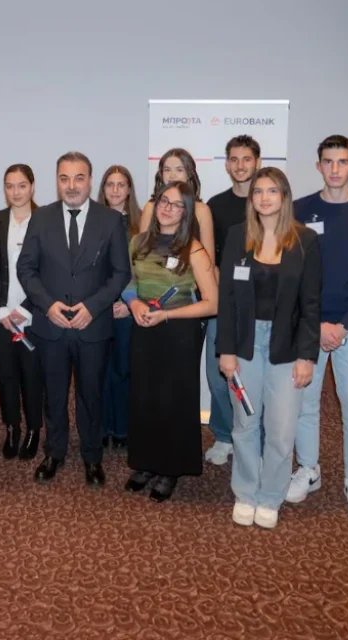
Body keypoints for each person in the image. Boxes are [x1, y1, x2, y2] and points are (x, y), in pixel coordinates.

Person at [285, 135, 348, 519]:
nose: (334, 169)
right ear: (318, 166)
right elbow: (293, 273)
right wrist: (317, 324)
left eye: (342, 162)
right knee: (304, 402)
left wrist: (342, 327)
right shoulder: (299, 210)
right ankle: (308, 469)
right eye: (328, 162)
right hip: (310, 324)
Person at [16, 151, 131, 487]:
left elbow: (120, 273)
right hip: (50, 325)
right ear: (57, 181)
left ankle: (92, 457)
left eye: (79, 178)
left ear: (90, 181)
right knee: (53, 394)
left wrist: (93, 307)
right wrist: (47, 305)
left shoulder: (110, 220)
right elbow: (27, 268)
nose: (71, 185)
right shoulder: (41, 218)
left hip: (92, 325)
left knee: (91, 395)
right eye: (64, 178)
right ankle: (54, 452)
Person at [217, 167, 320, 529]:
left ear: (284, 196)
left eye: (272, 191)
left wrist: (307, 356)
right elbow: (227, 298)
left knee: (280, 429)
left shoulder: (305, 240)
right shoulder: (237, 236)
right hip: (244, 344)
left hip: (287, 346)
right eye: (258, 191)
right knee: (245, 422)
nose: (264, 198)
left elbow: (311, 304)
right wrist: (226, 350)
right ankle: (246, 492)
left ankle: (271, 495)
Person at [121, 181, 218, 502]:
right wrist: (135, 304)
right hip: (143, 328)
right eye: (164, 201)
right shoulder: (137, 242)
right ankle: (146, 463)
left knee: (173, 401)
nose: (168, 208)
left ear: (186, 212)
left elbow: (213, 303)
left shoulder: (194, 250)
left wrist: (167, 315)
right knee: (144, 398)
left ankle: (170, 468)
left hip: (179, 333)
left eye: (177, 205)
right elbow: (128, 282)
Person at [203, 135, 261, 466]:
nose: (240, 165)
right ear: (226, 165)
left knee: (255, 377)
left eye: (246, 159)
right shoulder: (216, 205)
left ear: (257, 163)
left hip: (260, 306)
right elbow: (209, 257)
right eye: (234, 159)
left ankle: (253, 438)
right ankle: (224, 435)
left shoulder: (268, 200)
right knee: (217, 375)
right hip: (223, 303)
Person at [0, 165, 44, 460]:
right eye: (9, 186)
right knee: (5, 375)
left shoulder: (47, 219)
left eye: (22, 185)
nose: (16, 192)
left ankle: (34, 428)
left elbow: (52, 271)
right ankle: (12, 427)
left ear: (32, 187)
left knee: (32, 375)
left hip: (34, 314)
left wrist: (27, 308)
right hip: (1, 315)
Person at [97, 165, 141, 450]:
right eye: (110, 184)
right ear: (103, 189)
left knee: (124, 369)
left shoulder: (141, 225)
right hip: (98, 308)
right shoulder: (92, 222)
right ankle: (102, 427)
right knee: (99, 370)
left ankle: (122, 428)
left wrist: (128, 303)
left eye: (121, 184)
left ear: (128, 190)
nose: (115, 190)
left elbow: (144, 270)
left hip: (129, 308)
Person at [138, 148, 216, 260]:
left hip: (193, 269)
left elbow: (209, 259)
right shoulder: (150, 207)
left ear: (189, 174)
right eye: (167, 170)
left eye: (179, 170)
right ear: (161, 174)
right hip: (154, 269)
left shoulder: (201, 210)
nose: (172, 175)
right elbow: (142, 251)